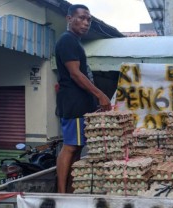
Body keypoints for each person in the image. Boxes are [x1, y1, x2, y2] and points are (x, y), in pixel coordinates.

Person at [55, 4, 112, 193]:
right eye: (81, 18)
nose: (86, 22)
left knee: (77, 148)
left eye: (88, 19)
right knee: (70, 147)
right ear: (69, 18)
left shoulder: (75, 42)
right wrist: (100, 95)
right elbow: (75, 74)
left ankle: (70, 190)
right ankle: (62, 193)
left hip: (80, 103)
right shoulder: (67, 41)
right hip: (73, 102)